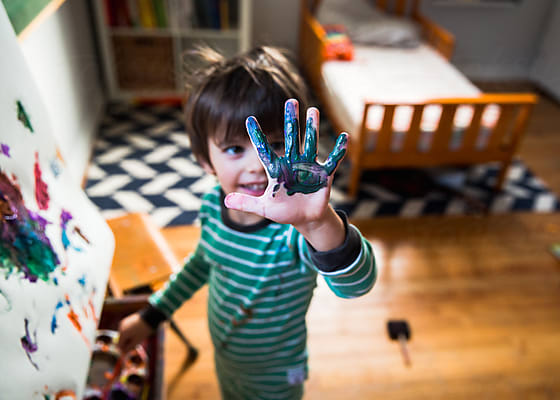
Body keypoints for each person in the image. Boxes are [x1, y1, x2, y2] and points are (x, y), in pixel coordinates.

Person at [117, 46, 377, 400]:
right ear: (204, 159)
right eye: (234, 149)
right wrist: (152, 315)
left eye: (273, 143)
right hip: (227, 360)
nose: (258, 164)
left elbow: (357, 285)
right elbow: (203, 263)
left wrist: (318, 225)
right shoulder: (213, 205)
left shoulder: (295, 232)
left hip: (276, 375)